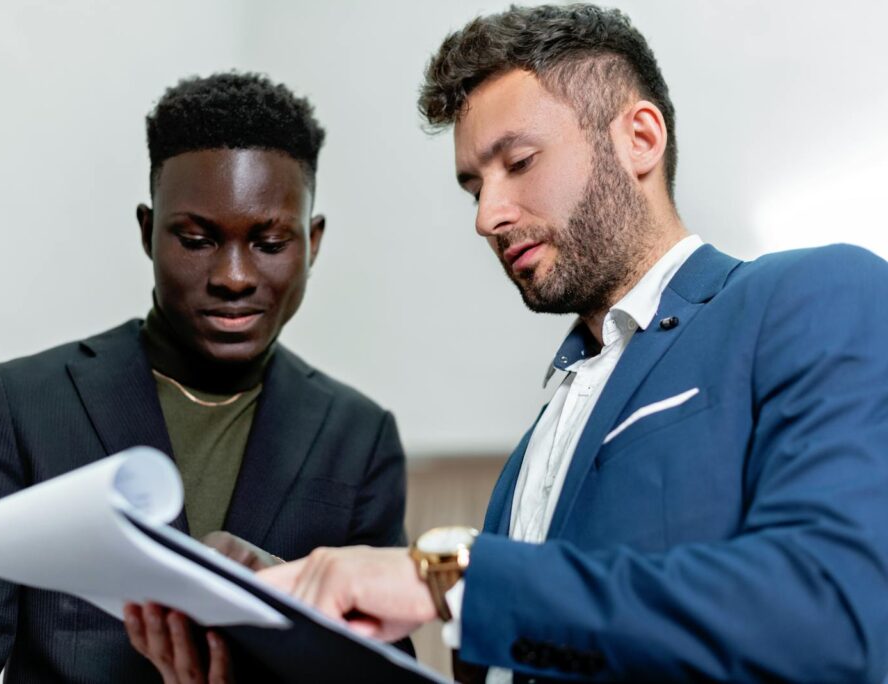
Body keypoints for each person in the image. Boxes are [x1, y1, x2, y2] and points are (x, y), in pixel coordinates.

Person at [250, 5, 888, 683]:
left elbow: (835, 617)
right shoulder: (532, 453)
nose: (486, 216)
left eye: (518, 163)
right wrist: (281, 634)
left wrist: (448, 576)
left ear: (639, 138)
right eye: (473, 186)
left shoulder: (815, 293)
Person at [0, 72, 408, 683]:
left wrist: (290, 610)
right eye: (197, 239)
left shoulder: (360, 437)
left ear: (312, 244)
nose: (234, 275)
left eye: (269, 242)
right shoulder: (17, 409)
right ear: (147, 232)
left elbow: (386, 673)